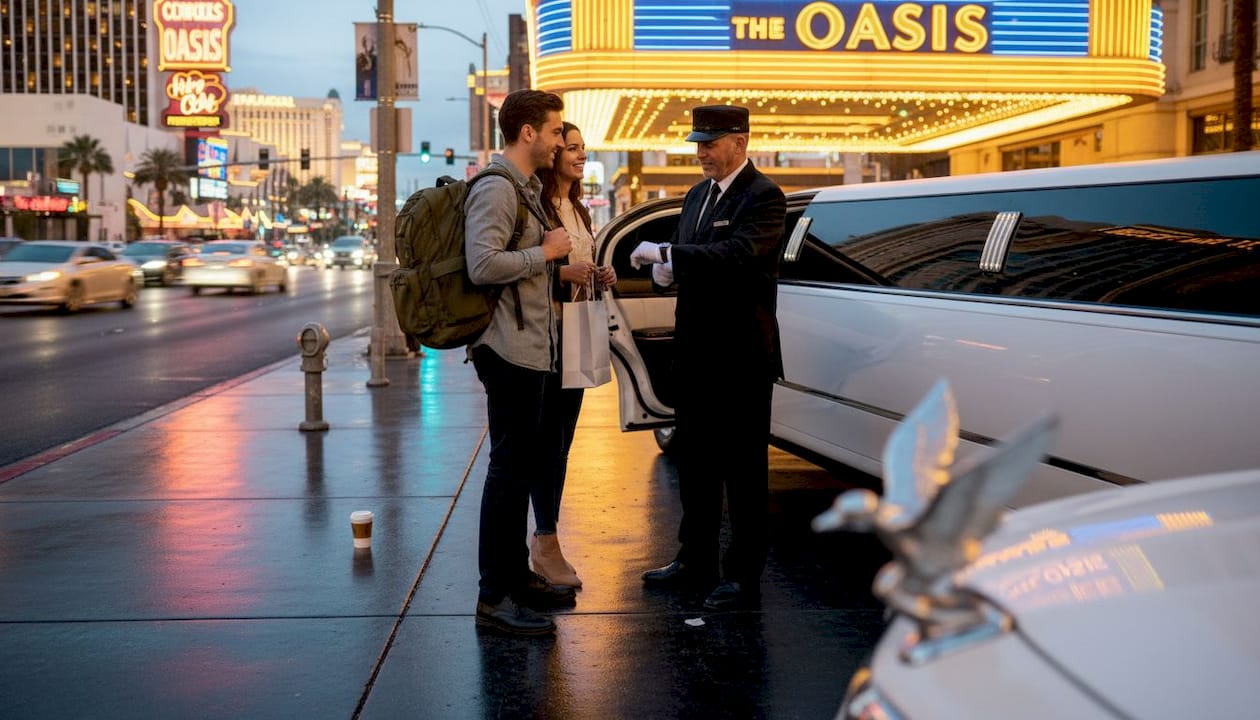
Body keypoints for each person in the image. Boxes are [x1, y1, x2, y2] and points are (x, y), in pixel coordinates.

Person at [629, 105, 787, 611]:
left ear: (739, 142)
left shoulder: (763, 196)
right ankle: (694, 558)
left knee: (743, 471)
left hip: (741, 357)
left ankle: (742, 576)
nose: (701, 153)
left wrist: (668, 257)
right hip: (695, 353)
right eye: (698, 144)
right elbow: (687, 251)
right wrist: (665, 272)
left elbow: (738, 255)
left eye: (710, 144)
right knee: (695, 466)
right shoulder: (697, 196)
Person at [465, 89, 575, 636]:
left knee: (523, 466)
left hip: (532, 348)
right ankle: (493, 597)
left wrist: (553, 265)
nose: (561, 140)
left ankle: (516, 579)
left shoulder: (527, 189)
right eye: (555, 131)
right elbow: (481, 264)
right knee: (508, 472)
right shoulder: (496, 187)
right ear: (527, 132)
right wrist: (546, 253)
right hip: (507, 349)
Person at [531, 123, 617, 589]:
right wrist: (565, 273)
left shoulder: (578, 208)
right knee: (546, 444)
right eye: (571, 147)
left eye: (583, 148)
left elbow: (575, 264)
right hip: (546, 338)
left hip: (579, 333)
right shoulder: (537, 206)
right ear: (552, 153)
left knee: (562, 443)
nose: (581, 155)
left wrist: (601, 273)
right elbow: (527, 271)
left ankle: (548, 537)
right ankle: (544, 540)